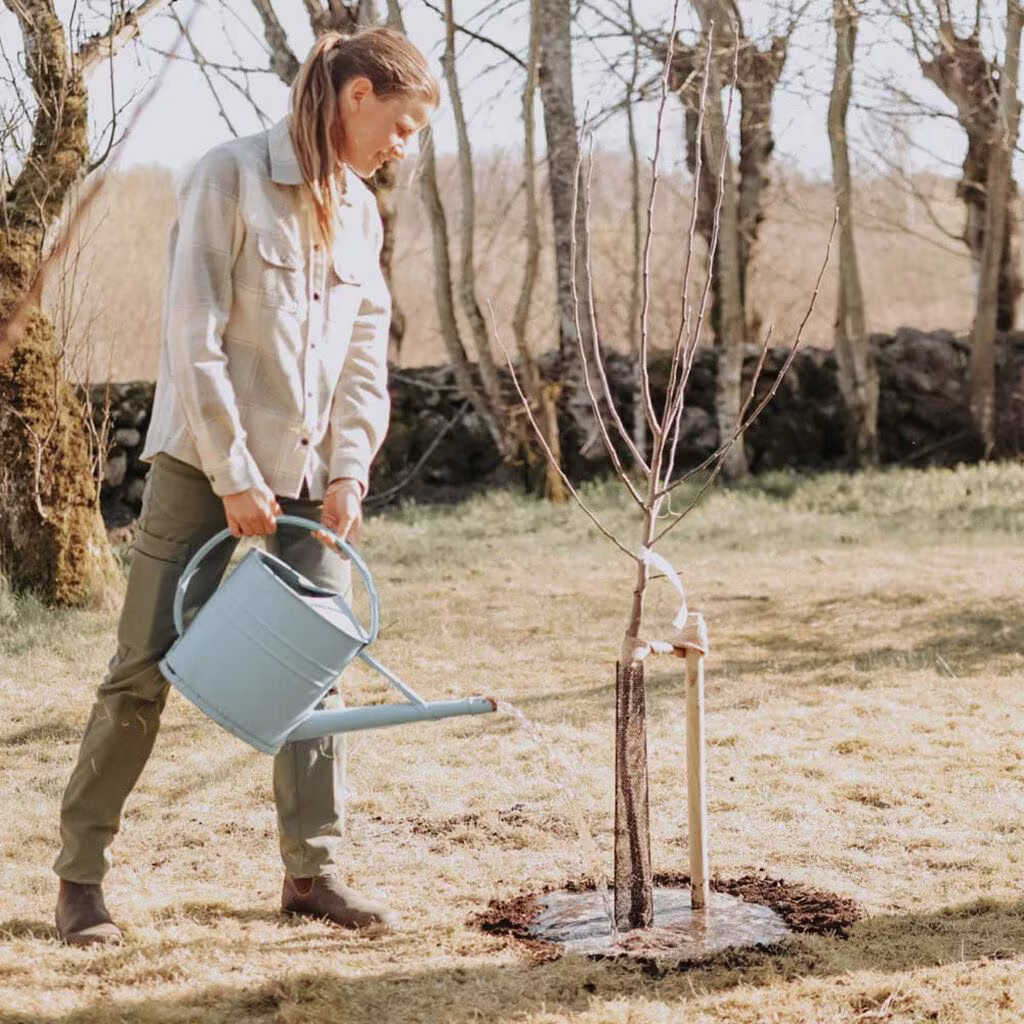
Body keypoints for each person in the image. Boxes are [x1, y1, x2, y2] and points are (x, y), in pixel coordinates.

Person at [53, 28, 439, 946]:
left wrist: (349, 470)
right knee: (140, 668)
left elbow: (363, 363)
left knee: (318, 665)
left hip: (309, 478)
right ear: (356, 96)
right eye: (402, 125)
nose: (404, 147)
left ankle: (312, 874)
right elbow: (193, 338)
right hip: (202, 464)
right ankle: (79, 881)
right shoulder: (226, 176)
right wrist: (233, 473)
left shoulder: (361, 212)